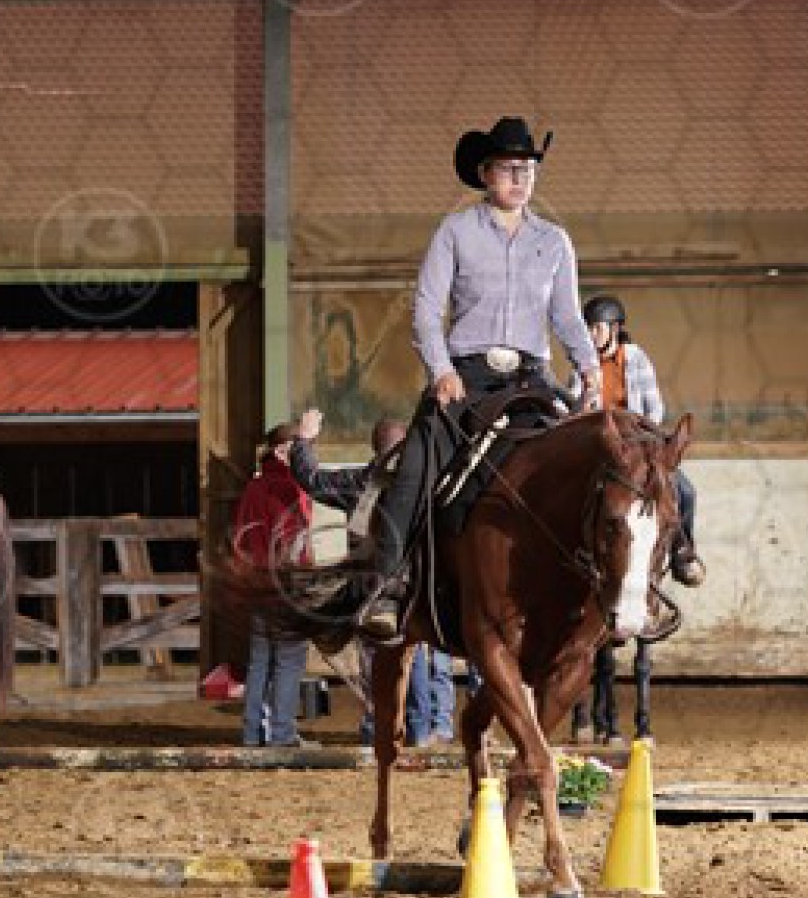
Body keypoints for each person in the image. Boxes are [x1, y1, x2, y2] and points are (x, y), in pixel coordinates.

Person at [360, 116, 603, 641]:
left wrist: (588, 368)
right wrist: (442, 370)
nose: (519, 178)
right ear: (485, 173)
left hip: (532, 380)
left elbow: (566, 316)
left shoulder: (554, 241)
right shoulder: (455, 232)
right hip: (466, 378)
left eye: (527, 169)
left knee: (586, 465)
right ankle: (388, 585)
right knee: (416, 465)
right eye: (508, 168)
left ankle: (598, 588)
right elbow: (426, 310)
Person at [566, 293, 702, 747]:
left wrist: (636, 442)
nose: (592, 335)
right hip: (600, 456)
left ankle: (684, 552)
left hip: (637, 450)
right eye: (588, 328)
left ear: (615, 328)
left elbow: (655, 410)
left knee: (685, 490)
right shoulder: (581, 364)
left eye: (598, 328)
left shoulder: (636, 359)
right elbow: (572, 413)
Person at [290, 408, 455, 747]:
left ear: (375, 447)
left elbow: (312, 479)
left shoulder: (362, 482)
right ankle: (419, 730)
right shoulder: (428, 482)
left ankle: (379, 728)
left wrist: (304, 440)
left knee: (375, 660)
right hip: (416, 586)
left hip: (372, 588)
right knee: (414, 655)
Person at [234, 423, 317, 749]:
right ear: (284, 451)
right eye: (302, 448)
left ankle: (252, 733)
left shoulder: (252, 488)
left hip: (256, 585)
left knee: (259, 662)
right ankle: (282, 734)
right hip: (285, 587)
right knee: (288, 661)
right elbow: (294, 543)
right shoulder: (290, 488)